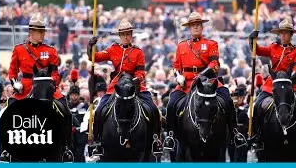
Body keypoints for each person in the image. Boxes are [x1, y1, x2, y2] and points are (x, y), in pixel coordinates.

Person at [164, 12, 240, 150]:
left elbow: (215, 64)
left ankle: (235, 133)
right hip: (186, 82)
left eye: (198, 25)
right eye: (193, 25)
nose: (196, 27)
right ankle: (170, 135)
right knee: (171, 103)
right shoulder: (181, 46)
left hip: (208, 81)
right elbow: (176, 66)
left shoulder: (211, 44)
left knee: (227, 99)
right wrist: (177, 76)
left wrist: (202, 75)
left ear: (202, 27)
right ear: (189, 28)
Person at [87, 19, 161, 155]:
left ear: (131, 34)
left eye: (128, 34)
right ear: (119, 35)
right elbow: (95, 58)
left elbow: (141, 73)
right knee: (99, 111)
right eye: (123, 34)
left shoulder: (138, 52)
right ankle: (97, 142)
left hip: (135, 86)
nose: (126, 36)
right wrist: (90, 47)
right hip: (117, 85)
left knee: (153, 108)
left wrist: (134, 81)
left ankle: (156, 139)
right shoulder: (113, 49)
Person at [248, 18, 296, 147]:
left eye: (286, 33)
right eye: (282, 32)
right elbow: (257, 50)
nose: (284, 35)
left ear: (291, 35)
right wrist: (252, 40)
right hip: (272, 84)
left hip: (292, 83)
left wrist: (292, 75)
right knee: (257, 105)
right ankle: (258, 135)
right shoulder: (273, 47)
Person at [8, 12, 68, 108]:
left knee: (64, 106)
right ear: (31, 32)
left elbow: (55, 74)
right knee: (9, 109)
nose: (43, 34)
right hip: (25, 88)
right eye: (40, 31)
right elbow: (12, 71)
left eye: (43, 31)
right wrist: (15, 84)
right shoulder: (19, 49)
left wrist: (51, 84)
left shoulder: (51, 51)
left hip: (47, 87)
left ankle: (71, 123)